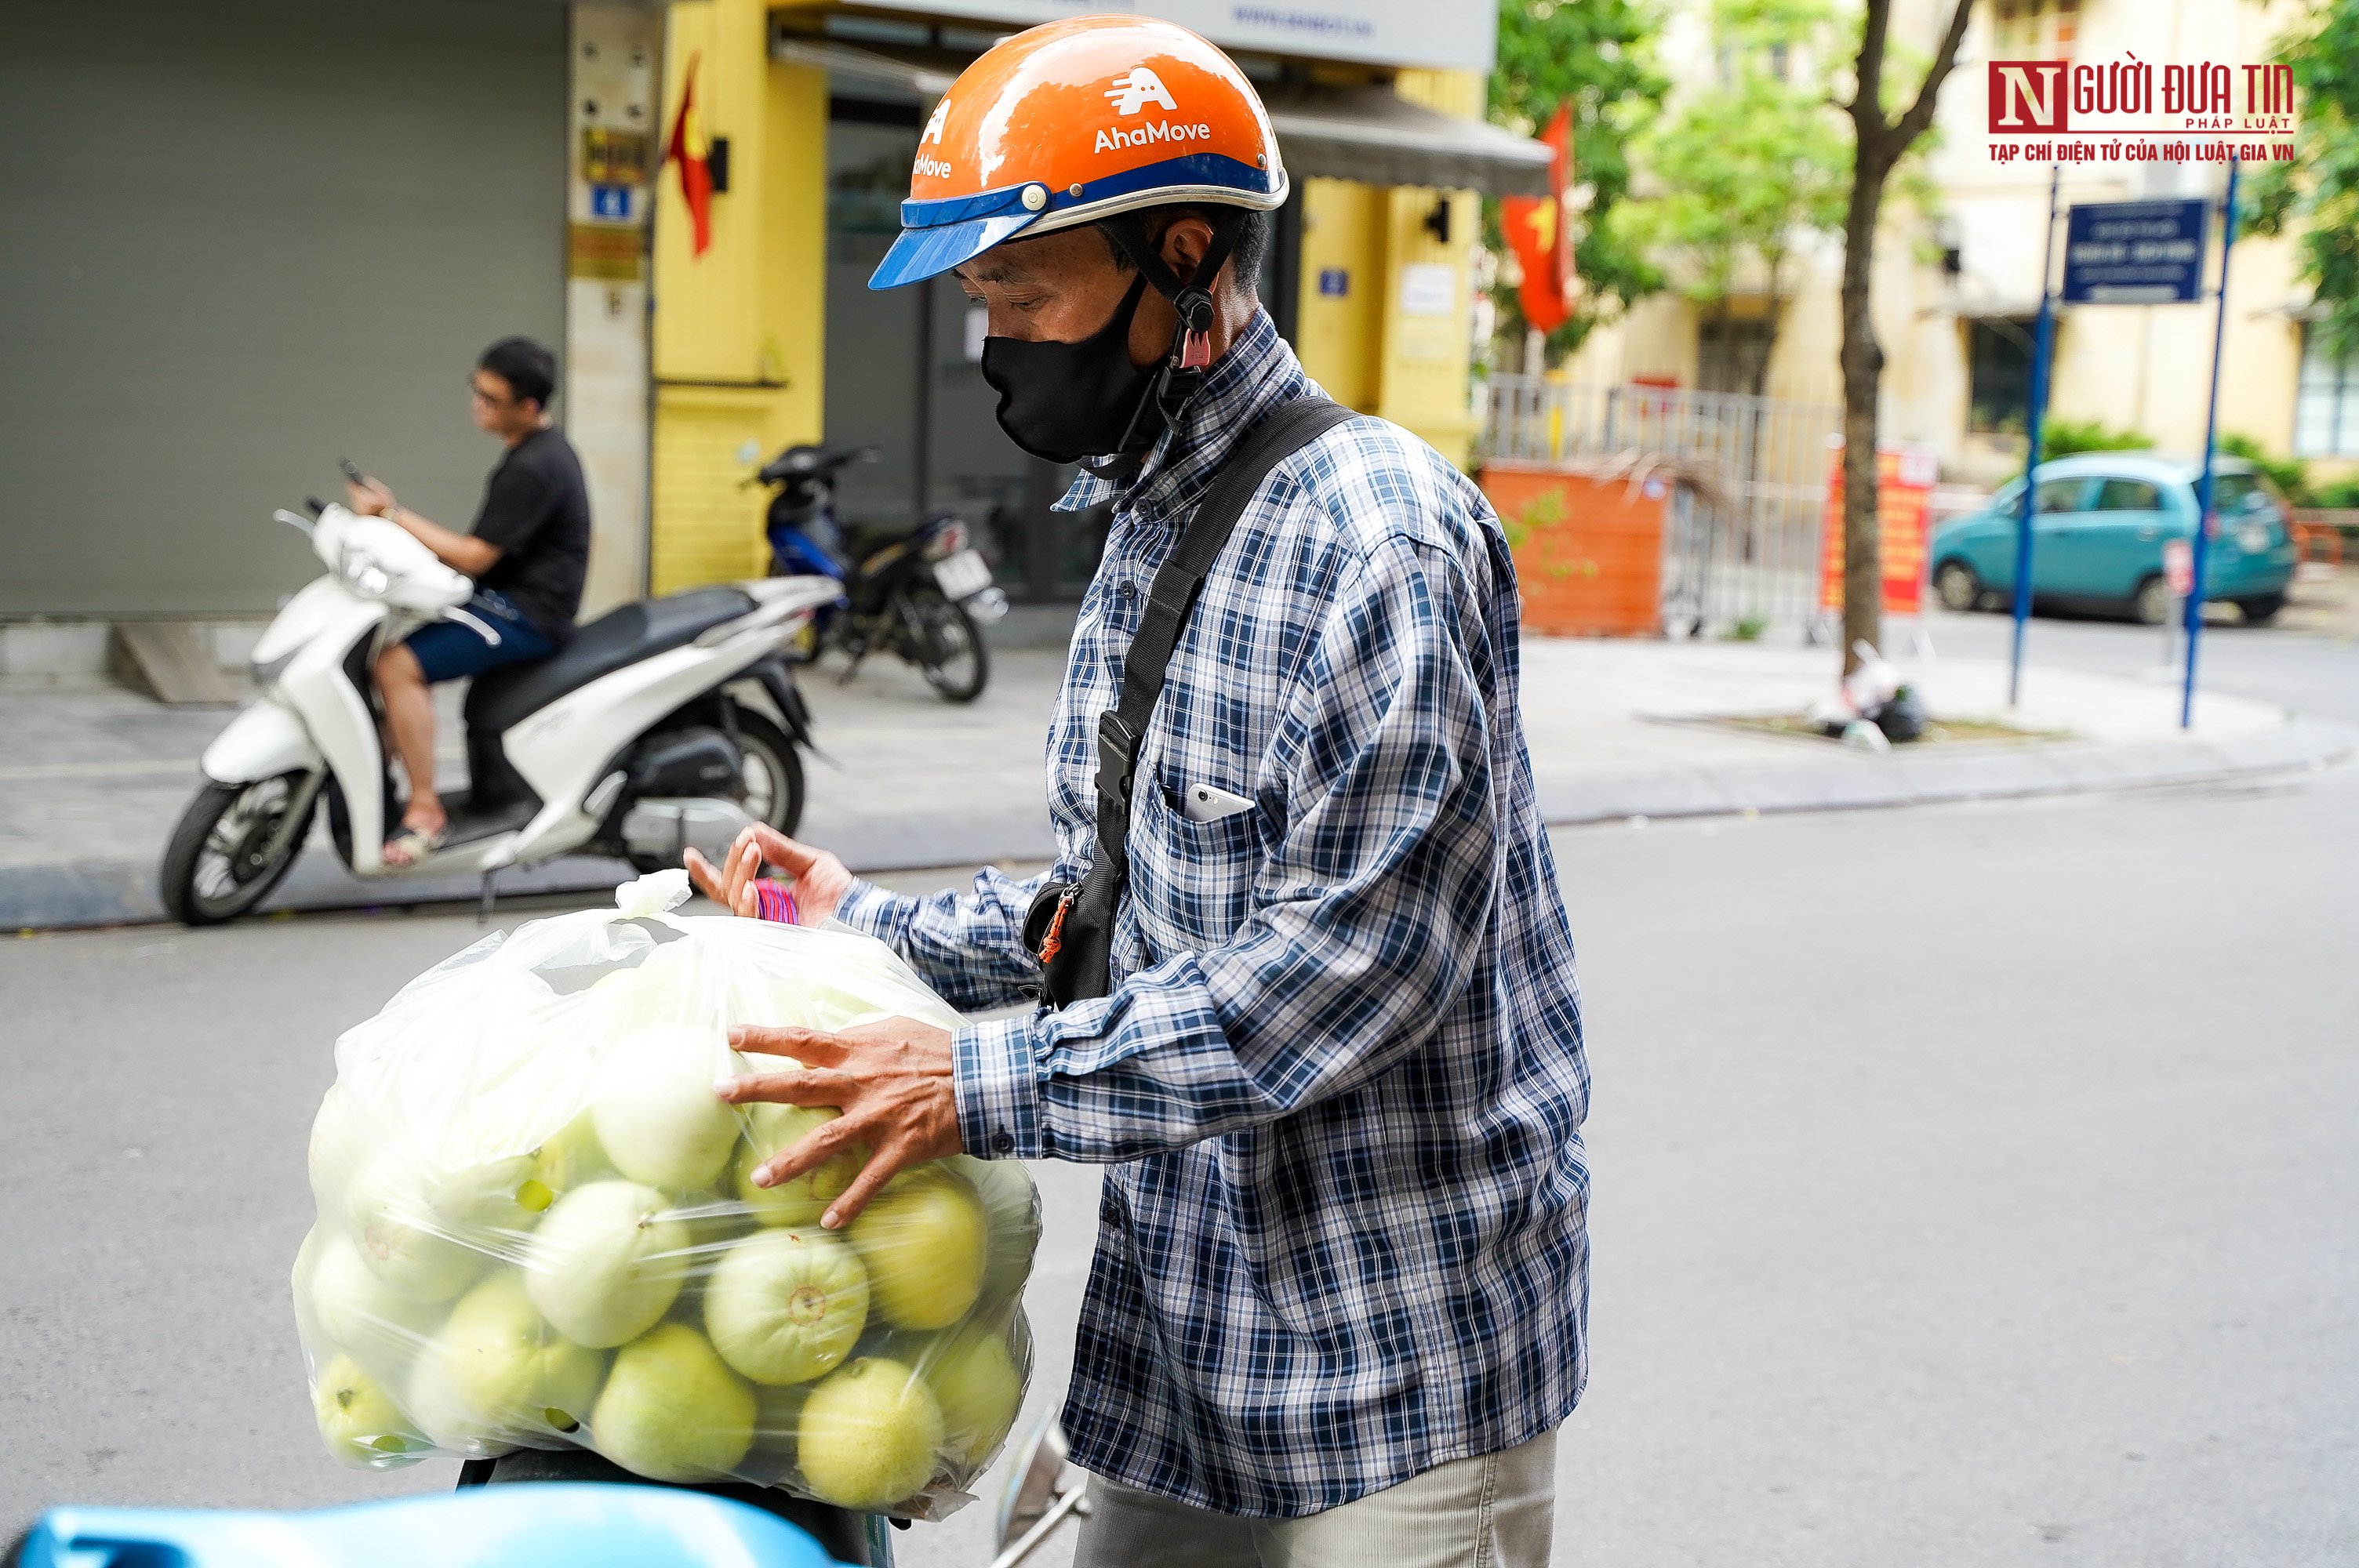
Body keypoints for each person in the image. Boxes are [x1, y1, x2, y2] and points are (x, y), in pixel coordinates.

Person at [687, 18, 1587, 1566]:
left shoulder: (1379, 537)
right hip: (1182, 1344)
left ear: (1184, 257)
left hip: (1400, 1368)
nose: (995, 344)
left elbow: (1347, 968)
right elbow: (1124, 907)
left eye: (1021, 293)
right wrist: (868, 925)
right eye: (982, 300)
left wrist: (971, 1078)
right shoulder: (1149, 518)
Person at [344, 336, 591, 865]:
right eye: (475, 390)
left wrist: (391, 515)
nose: (476, 404)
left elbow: (474, 556)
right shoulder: (530, 452)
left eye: (490, 398)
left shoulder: (533, 466)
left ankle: (426, 809)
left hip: (530, 613)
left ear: (527, 407)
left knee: (396, 666)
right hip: (507, 598)